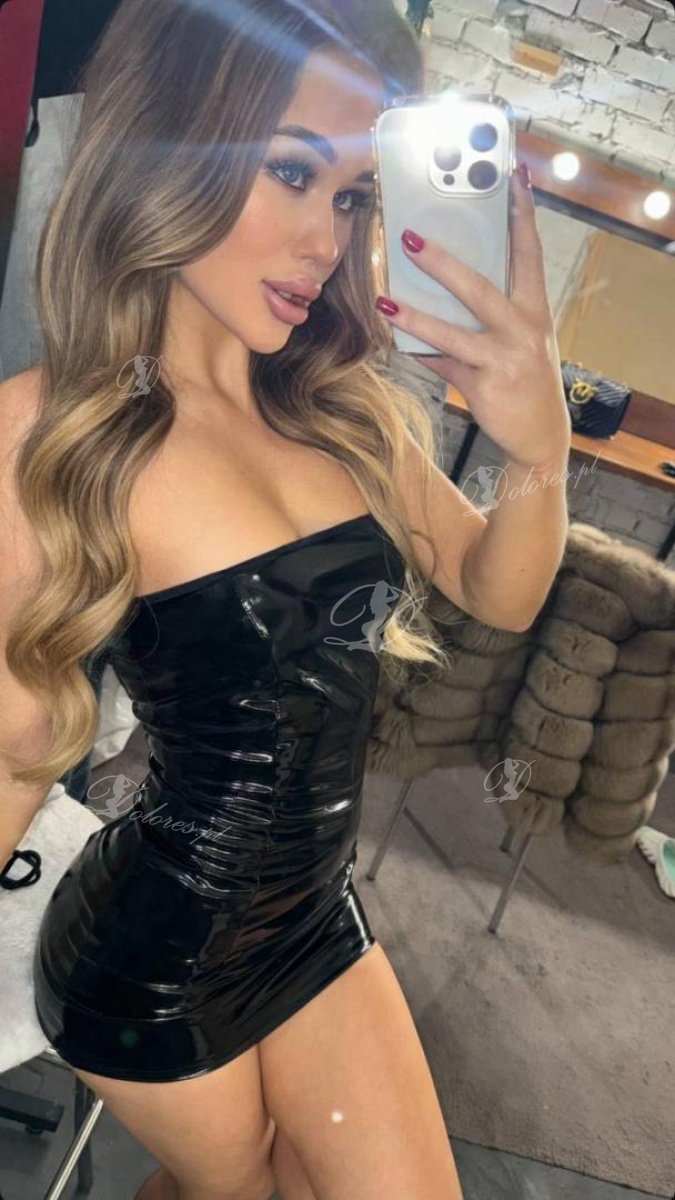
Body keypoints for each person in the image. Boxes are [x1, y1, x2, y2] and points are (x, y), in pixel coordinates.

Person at [0, 1, 571, 1197]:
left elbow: (500, 593)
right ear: (171, 146)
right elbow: (9, 761)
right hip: (149, 961)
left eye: (354, 196)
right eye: (294, 172)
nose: (326, 241)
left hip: (314, 914)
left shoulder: (339, 402)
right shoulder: (52, 433)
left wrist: (540, 451)